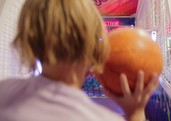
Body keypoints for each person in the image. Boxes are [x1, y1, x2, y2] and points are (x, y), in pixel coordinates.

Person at [0, 0, 159, 121]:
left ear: (29, 40)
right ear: (92, 50)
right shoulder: (101, 118)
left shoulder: (4, 92)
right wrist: (136, 113)